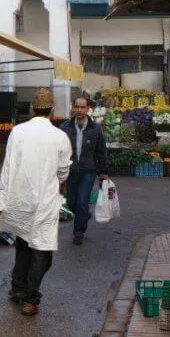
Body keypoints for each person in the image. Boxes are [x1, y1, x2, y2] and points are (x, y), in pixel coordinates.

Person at [0, 89, 73, 316]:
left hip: (20, 199)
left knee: (23, 245)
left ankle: (17, 288)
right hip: (44, 202)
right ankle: (30, 298)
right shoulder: (60, 136)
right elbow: (63, 172)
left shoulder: (18, 132)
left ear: (31, 109)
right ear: (52, 110)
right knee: (42, 251)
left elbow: (8, 166)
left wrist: (3, 198)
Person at [59, 96, 109, 246]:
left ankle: (78, 232)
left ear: (88, 109)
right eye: (77, 107)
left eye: (82, 108)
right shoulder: (65, 128)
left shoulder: (95, 129)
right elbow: (59, 150)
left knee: (82, 201)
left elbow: (101, 151)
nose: (79, 110)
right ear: (73, 108)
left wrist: (103, 171)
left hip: (88, 171)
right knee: (72, 203)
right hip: (71, 170)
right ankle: (84, 215)